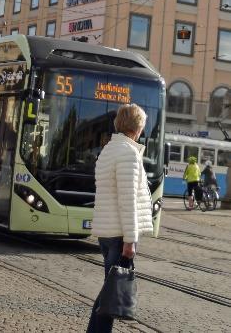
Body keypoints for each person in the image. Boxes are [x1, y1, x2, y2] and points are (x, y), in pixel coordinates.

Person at [87, 104, 153, 333]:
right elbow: (128, 199)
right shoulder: (128, 153)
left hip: (108, 232)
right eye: (143, 124)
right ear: (138, 126)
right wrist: (130, 240)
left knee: (109, 290)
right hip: (119, 234)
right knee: (111, 296)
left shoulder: (109, 150)